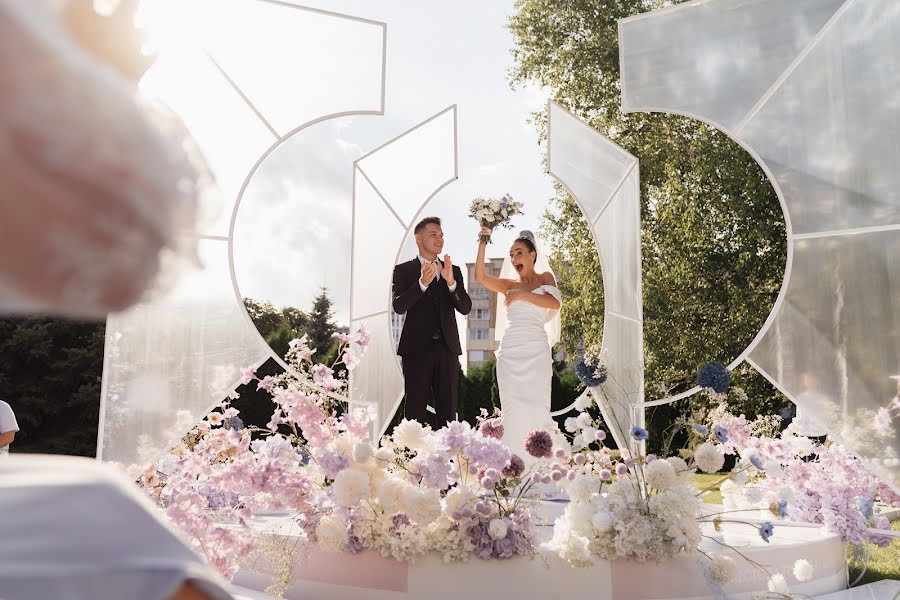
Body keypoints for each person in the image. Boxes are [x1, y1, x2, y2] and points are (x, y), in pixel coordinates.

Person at [474, 226, 562, 460]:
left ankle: (540, 467)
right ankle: (512, 465)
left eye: (519, 253)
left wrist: (523, 295)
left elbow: (554, 303)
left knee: (538, 405)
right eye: (511, 254)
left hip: (536, 349)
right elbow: (480, 277)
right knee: (512, 410)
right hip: (511, 350)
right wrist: (484, 238)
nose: (514, 259)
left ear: (533, 255)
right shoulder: (508, 284)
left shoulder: (545, 278)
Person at [392, 217, 472, 427]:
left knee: (448, 415)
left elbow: (465, 307)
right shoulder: (403, 270)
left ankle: (448, 459)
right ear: (418, 239)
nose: (439, 239)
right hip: (416, 351)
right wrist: (422, 284)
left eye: (441, 235)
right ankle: (409, 459)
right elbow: (399, 306)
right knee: (414, 414)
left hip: (448, 349)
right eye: (433, 234)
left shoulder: (452, 270)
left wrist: (451, 283)